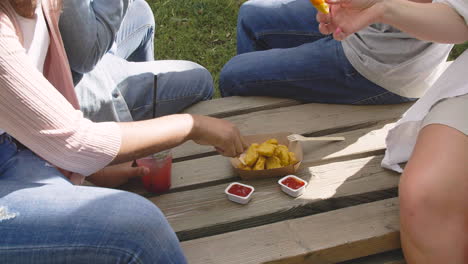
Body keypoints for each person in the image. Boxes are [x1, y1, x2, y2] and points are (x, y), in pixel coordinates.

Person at [0, 0, 245, 263]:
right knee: (139, 229)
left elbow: (32, 105)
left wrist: (90, 167)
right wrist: (191, 125)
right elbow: (75, 141)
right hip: (15, 155)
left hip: (14, 144)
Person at [317, 0, 468, 263]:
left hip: (385, 68)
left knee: (236, 74)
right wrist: (382, 8)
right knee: (425, 191)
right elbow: (460, 17)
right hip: (372, 50)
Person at [219, 0, 452, 106]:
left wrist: (376, 5)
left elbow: (443, 12)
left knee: (234, 76)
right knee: (252, 14)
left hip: (383, 66)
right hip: (365, 28)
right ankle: (260, 121)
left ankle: (249, 139)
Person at [59, 0, 214, 122]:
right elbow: (86, 58)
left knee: (141, 13)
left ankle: (148, 118)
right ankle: (135, 135)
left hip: (74, 55)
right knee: (201, 81)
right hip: (74, 88)